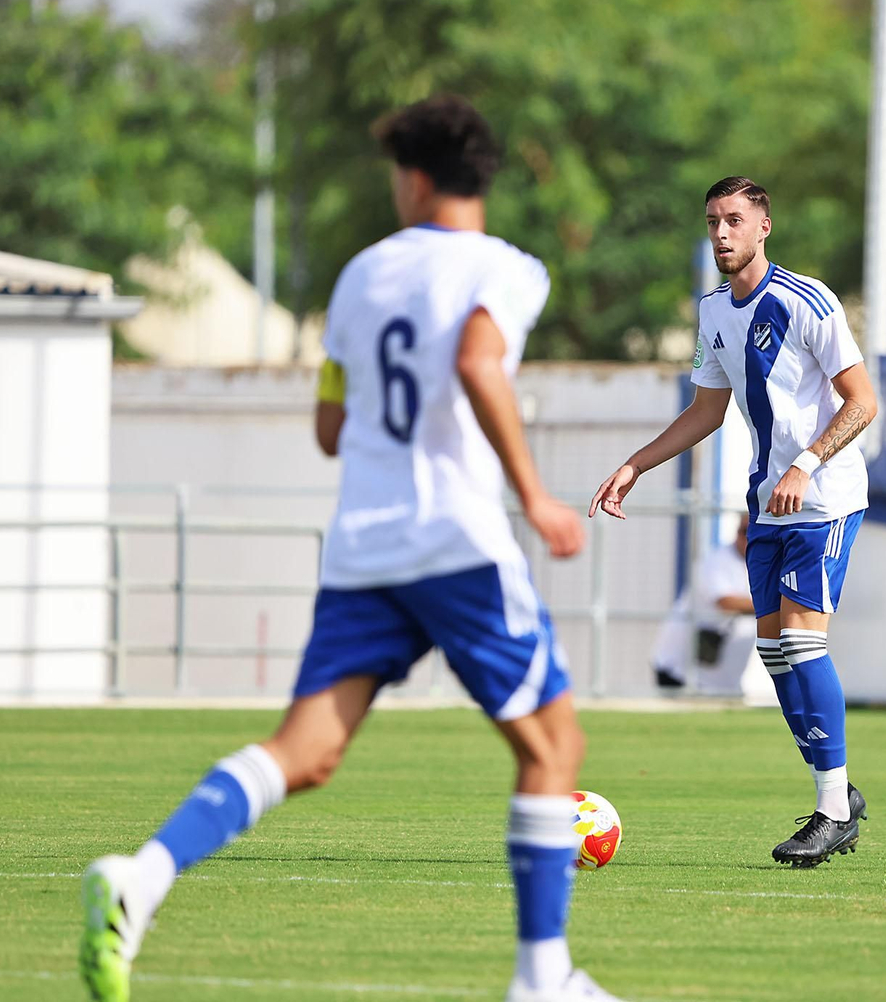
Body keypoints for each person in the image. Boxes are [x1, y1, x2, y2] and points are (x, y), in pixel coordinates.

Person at [79, 96, 626, 1002]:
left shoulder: (360, 276)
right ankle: (543, 980)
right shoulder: (507, 269)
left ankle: (144, 875)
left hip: (364, 547)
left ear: (413, 177)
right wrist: (535, 493)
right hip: (455, 539)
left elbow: (331, 426)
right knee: (553, 748)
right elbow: (478, 363)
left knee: (306, 751)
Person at [589, 177, 876, 867]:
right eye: (713, 221)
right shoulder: (713, 310)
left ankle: (832, 808)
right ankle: (837, 791)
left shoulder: (809, 300)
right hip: (766, 505)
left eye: (735, 221)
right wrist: (636, 463)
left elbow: (863, 402)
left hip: (825, 497)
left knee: (805, 646)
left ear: (764, 226)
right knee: (776, 656)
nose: (722, 233)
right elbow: (705, 411)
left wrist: (806, 463)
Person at [651, 515, 760, 695]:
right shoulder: (717, 560)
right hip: (682, 672)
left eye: (752, 532)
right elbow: (726, 602)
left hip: (721, 678)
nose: (746, 538)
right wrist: (774, 604)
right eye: (743, 531)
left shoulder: (761, 565)